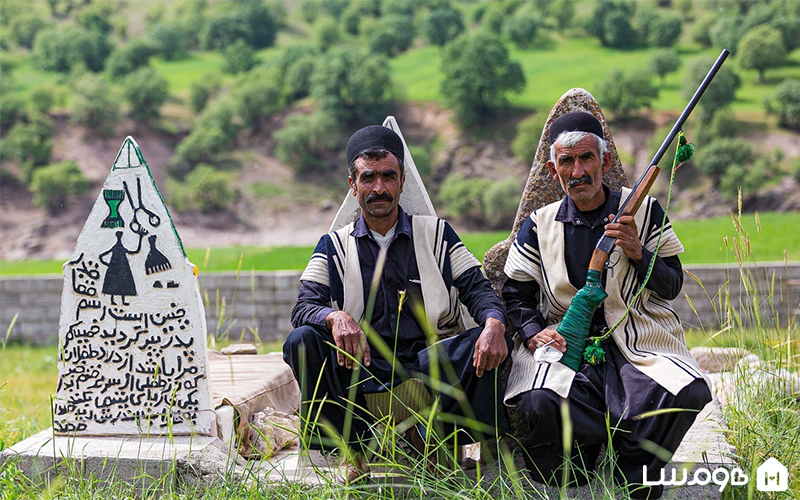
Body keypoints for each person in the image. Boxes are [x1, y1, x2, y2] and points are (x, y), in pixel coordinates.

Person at [501, 111, 711, 499]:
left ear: (606, 162)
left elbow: (672, 284)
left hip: (638, 339)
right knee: (537, 402)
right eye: (567, 161)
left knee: (689, 391)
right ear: (553, 169)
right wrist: (533, 332)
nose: (577, 171)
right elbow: (516, 295)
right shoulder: (538, 224)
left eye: (587, 158)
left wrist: (637, 250)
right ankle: (584, 458)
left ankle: (634, 466)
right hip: (566, 344)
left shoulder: (644, 213)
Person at [283, 125, 510, 482]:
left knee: (488, 337)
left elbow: (478, 291)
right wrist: (335, 316)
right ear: (352, 185)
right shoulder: (333, 245)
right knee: (301, 342)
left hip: (428, 363)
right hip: (361, 366)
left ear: (402, 181)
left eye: (388, 177)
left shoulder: (436, 234)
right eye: (368, 178)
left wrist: (495, 323)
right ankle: (349, 451)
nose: (379, 188)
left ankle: (452, 447)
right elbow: (303, 308)